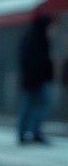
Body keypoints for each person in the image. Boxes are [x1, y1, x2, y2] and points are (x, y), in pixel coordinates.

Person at [17, 12, 54, 144]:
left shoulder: (40, 38)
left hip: (38, 79)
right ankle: (28, 132)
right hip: (33, 80)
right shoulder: (34, 39)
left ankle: (30, 132)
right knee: (35, 104)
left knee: (34, 105)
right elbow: (30, 61)